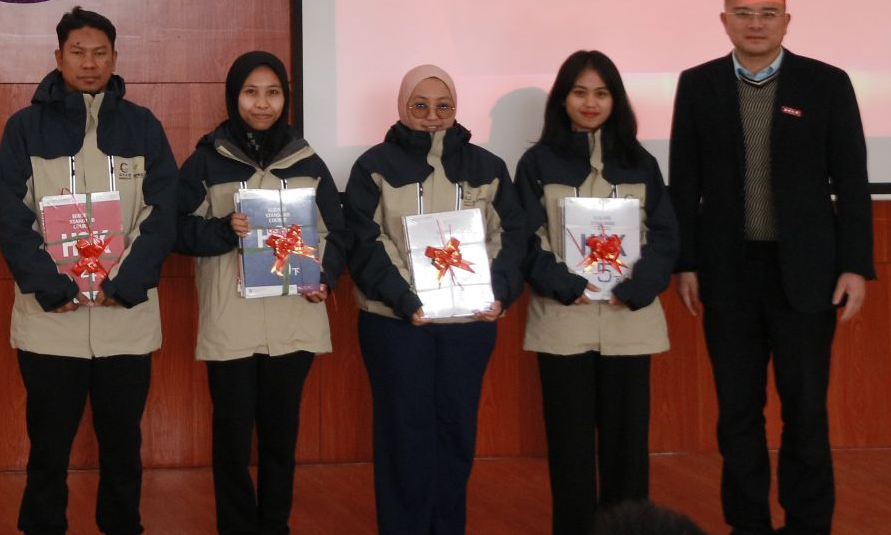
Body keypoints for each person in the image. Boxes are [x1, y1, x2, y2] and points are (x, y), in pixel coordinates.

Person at [669, 0, 873, 535]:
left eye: (767, 13)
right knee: (738, 414)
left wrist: (855, 265)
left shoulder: (826, 83)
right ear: (724, 20)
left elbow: (852, 181)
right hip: (726, 274)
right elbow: (684, 183)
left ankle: (808, 525)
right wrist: (685, 262)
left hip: (807, 275)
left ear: (786, 21)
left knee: (805, 412)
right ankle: (749, 525)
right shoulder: (698, 84)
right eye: (743, 13)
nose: (755, 23)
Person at [0, 7, 178, 535]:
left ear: (115, 58)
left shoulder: (143, 126)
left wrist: (126, 284)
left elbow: (163, 212)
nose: (89, 63)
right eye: (78, 52)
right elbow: (11, 218)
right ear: (59, 57)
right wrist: (51, 287)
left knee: (123, 448)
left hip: (125, 319)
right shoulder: (24, 128)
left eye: (100, 53)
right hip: (52, 321)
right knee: (48, 449)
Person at [343, 63, 524, 535]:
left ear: (456, 109)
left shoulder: (488, 167)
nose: (432, 116)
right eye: (419, 105)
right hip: (395, 323)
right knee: (403, 435)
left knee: (456, 434)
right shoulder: (373, 166)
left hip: (469, 326)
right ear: (402, 107)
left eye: (443, 106)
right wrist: (407, 299)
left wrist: (498, 292)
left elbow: (511, 236)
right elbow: (365, 242)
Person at [175, 50, 343, 535]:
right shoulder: (206, 160)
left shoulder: (308, 161)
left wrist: (325, 275)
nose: (262, 103)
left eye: (273, 93)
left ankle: (275, 526)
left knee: (279, 441)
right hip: (232, 323)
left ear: (286, 98)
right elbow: (175, 229)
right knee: (231, 442)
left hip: (294, 319)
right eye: (251, 92)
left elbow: (338, 232)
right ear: (234, 97)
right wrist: (223, 229)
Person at [516, 50, 679, 535]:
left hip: (629, 322)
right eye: (580, 92)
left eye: (602, 93)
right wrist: (566, 284)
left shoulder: (639, 161)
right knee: (569, 451)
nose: (591, 103)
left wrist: (638, 286)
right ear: (563, 99)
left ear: (616, 100)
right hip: (563, 322)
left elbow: (664, 234)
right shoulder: (537, 162)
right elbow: (525, 237)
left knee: (628, 452)